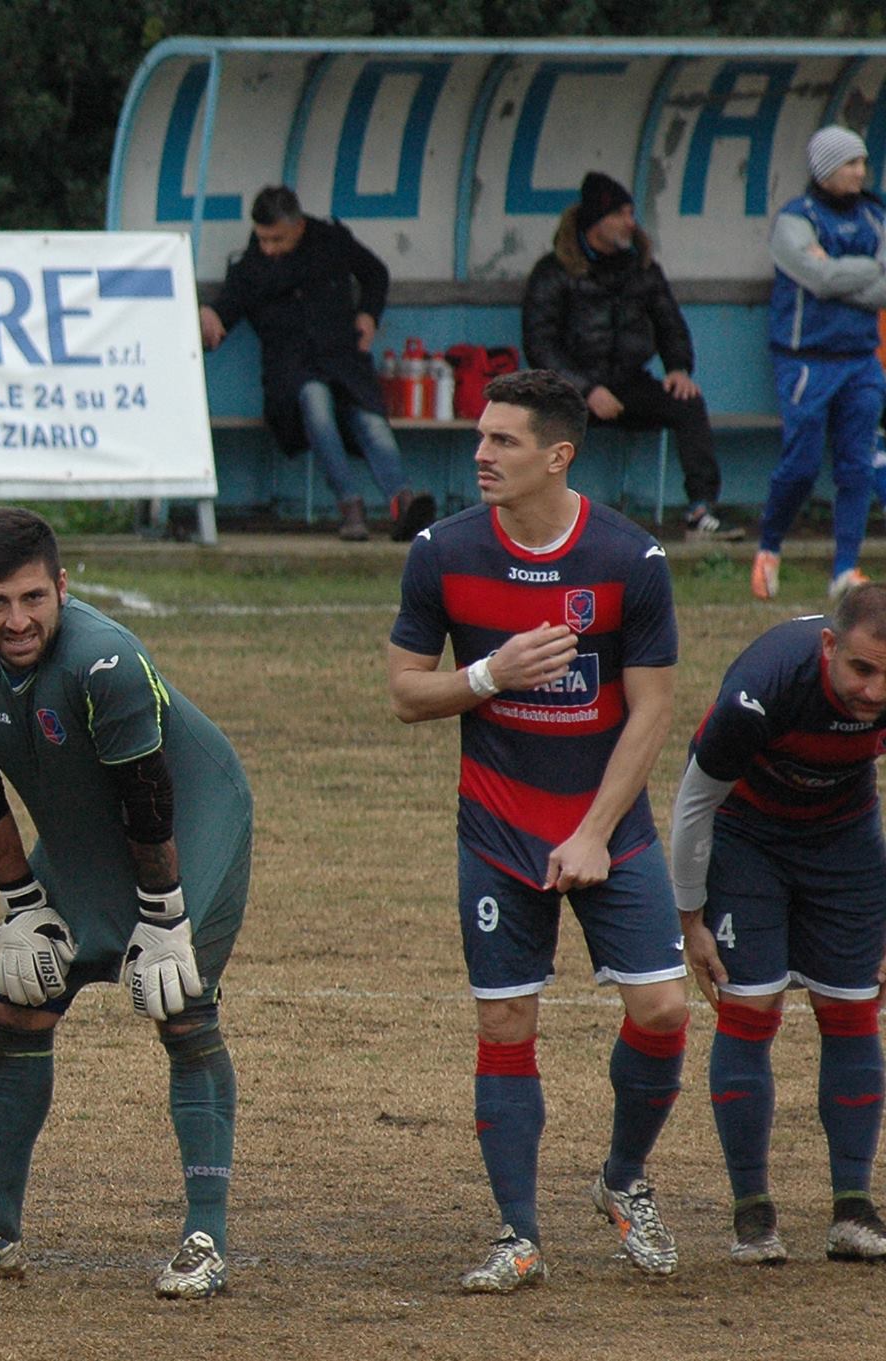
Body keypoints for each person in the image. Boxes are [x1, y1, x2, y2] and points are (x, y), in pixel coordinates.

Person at [386, 368, 692, 1293]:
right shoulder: (441, 551)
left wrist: (595, 831)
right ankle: (518, 1233)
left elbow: (652, 709)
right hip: (497, 827)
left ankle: (622, 1175)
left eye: (503, 440)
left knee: (663, 1009)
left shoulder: (629, 559)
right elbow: (405, 693)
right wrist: (492, 675)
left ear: (558, 455)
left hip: (610, 828)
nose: (480, 454)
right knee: (506, 1018)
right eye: (481, 436)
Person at [0, 507, 250, 1299]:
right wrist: (23, 903)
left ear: (62, 586)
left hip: (188, 817)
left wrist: (164, 917)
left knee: (179, 1002)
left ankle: (205, 1236)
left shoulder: (107, 660)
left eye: (33, 597)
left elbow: (146, 795)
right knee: (17, 1002)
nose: (17, 619)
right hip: (81, 829)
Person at [670, 585, 886, 1264]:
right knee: (749, 1007)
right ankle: (752, 1214)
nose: (875, 692)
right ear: (828, 646)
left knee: (853, 1007)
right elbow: (694, 802)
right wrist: (691, 919)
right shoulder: (760, 690)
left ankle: (852, 1209)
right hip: (748, 836)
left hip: (844, 838)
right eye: (861, 669)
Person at [199, 184, 436, 542]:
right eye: (262, 239)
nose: (268, 248)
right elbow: (225, 312)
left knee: (370, 420)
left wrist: (369, 314)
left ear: (299, 226)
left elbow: (375, 273)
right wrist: (210, 317)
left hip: (343, 362)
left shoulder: (331, 242)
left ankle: (403, 503)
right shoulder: (251, 268)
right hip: (290, 373)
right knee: (315, 401)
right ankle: (350, 506)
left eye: (277, 239)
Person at [521, 171, 736, 540]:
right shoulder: (553, 272)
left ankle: (701, 511)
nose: (630, 223)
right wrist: (586, 389)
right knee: (542, 425)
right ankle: (537, 516)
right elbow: (540, 345)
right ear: (596, 221)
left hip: (630, 383)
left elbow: (670, 323)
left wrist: (679, 368)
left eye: (631, 214)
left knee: (687, 403)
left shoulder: (642, 268)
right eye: (619, 214)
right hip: (570, 390)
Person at [753, 126, 886, 602]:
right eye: (850, 163)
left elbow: (862, 284)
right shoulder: (797, 219)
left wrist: (839, 274)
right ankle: (769, 548)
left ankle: (845, 568)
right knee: (802, 464)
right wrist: (866, 270)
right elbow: (818, 278)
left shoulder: (874, 216)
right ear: (825, 169)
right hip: (806, 360)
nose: (860, 172)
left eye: (862, 162)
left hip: (861, 360)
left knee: (856, 464)